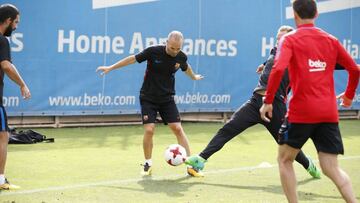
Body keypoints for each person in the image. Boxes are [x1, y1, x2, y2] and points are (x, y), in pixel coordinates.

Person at [185, 25, 321, 179]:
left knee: (287, 146)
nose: (279, 41)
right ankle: (201, 159)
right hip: (256, 102)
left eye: (283, 39)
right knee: (229, 128)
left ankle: (308, 164)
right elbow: (272, 59)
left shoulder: (297, 57)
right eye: (277, 38)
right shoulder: (275, 50)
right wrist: (264, 64)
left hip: (274, 107)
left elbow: (316, 67)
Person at [259, 0, 359, 202]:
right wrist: (348, 96)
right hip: (328, 113)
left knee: (285, 160)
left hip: (302, 112)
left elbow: (278, 69)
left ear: (295, 15)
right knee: (332, 168)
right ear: (317, 14)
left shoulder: (289, 39)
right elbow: (355, 69)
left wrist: (268, 100)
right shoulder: (330, 39)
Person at [96, 31, 204, 177]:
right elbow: (132, 59)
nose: (175, 51)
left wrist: (194, 77)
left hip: (167, 98)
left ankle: (191, 165)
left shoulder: (181, 56)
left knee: (178, 128)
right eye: (172, 48)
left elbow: (186, 67)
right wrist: (110, 68)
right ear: (166, 42)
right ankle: (148, 163)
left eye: (178, 48)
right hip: (148, 97)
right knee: (149, 130)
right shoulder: (153, 51)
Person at [0, 4, 31, 190]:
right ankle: (0, 180)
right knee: (3, 136)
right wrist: (22, 84)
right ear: (9, 20)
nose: (17, 26)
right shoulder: (2, 41)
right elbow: (6, 66)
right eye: (16, 22)